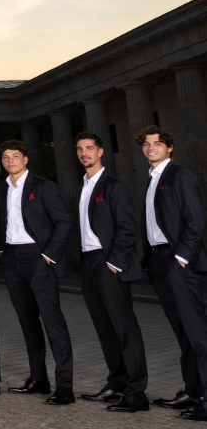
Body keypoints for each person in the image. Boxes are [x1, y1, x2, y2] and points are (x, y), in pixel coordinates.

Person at [72, 132, 148, 413]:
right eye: (80, 149)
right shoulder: (83, 186)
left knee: (124, 329)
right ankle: (116, 383)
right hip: (90, 264)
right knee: (105, 329)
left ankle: (137, 393)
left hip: (108, 264)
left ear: (101, 151)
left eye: (89, 148)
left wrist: (114, 264)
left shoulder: (113, 186)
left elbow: (128, 228)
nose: (84, 153)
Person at [135, 125, 207, 421]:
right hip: (159, 261)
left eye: (157, 143)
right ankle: (193, 390)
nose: (151, 147)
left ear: (170, 147)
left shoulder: (179, 175)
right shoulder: (152, 179)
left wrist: (181, 258)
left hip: (178, 262)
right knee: (183, 333)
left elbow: (195, 220)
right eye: (146, 144)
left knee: (199, 334)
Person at [0, 139, 74, 406]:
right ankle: (38, 379)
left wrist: (48, 256)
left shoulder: (43, 186)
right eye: (5, 157)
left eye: (15, 156)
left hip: (38, 258)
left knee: (53, 322)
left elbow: (63, 222)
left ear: (25, 159)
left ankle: (65, 386)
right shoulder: (2, 189)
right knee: (28, 322)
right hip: (12, 259)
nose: (10, 161)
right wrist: (2, 252)